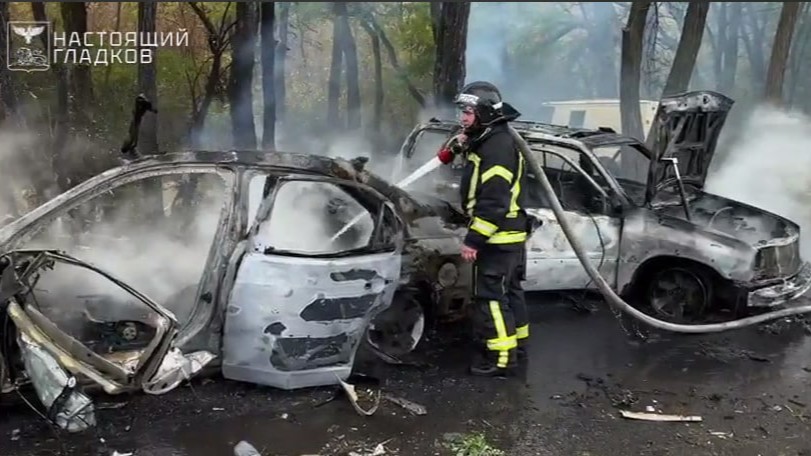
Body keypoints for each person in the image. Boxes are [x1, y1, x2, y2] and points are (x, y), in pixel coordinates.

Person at [436, 81, 531, 376]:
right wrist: (459, 143)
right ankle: (517, 345)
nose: (462, 118)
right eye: (462, 112)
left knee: (491, 298)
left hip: (498, 237)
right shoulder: (489, 138)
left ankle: (501, 358)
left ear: (486, 113)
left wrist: (474, 240)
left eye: (468, 112)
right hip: (510, 234)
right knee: (510, 292)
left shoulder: (497, 149)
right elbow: (449, 155)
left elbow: (494, 201)